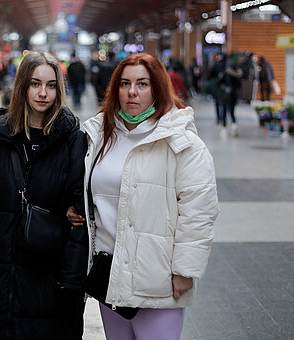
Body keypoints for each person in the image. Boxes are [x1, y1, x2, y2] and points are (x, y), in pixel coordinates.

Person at [68, 53, 219, 340]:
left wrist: (185, 270)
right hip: (108, 274)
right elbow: (89, 190)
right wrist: (75, 209)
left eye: (142, 84)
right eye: (124, 83)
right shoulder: (99, 135)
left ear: (158, 89)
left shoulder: (183, 143)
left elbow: (199, 211)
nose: (132, 92)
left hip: (157, 277)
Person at [0, 51, 88, 339]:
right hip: (4, 263)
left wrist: (73, 279)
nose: (43, 93)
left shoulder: (72, 138)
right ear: (22, 85)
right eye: (35, 84)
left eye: (51, 86)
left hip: (49, 269)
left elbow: (80, 205)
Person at [217, 60, 243, 137]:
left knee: (224, 110)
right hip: (234, 95)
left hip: (225, 95)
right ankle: (234, 125)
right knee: (232, 111)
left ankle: (224, 126)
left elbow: (219, 83)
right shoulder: (238, 74)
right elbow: (239, 85)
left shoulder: (225, 73)